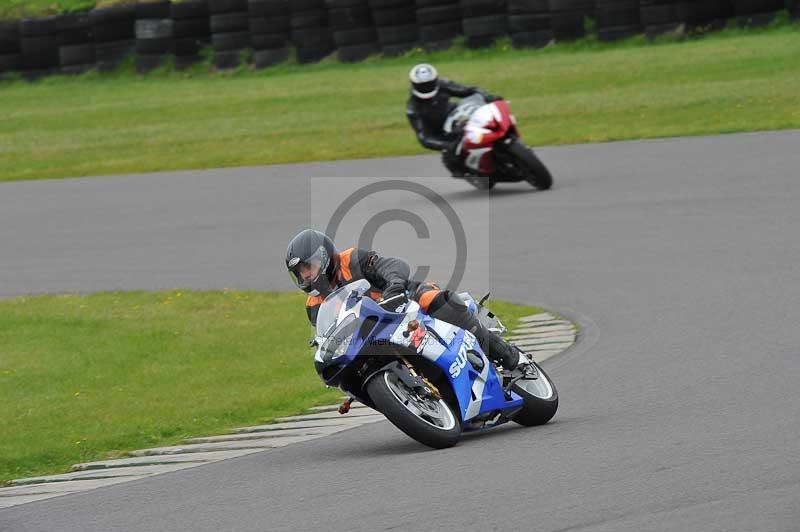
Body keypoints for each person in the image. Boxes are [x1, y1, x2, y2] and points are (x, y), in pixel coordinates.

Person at [285, 228, 530, 371]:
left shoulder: (353, 260)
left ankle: (507, 354)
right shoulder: (314, 305)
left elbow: (393, 265)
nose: (306, 275)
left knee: (434, 299)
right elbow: (327, 335)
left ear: (324, 256)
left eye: (308, 267)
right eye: (300, 272)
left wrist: (394, 287)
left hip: (406, 303)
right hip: (373, 336)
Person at [405, 63, 501, 177]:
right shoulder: (413, 109)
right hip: (442, 133)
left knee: (486, 117)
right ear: (414, 85)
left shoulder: (443, 85)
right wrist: (446, 145)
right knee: (453, 159)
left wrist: (487, 96)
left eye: (429, 84)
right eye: (422, 85)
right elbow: (423, 137)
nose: (426, 87)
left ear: (435, 80)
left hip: (456, 115)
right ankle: (472, 170)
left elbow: (469, 90)